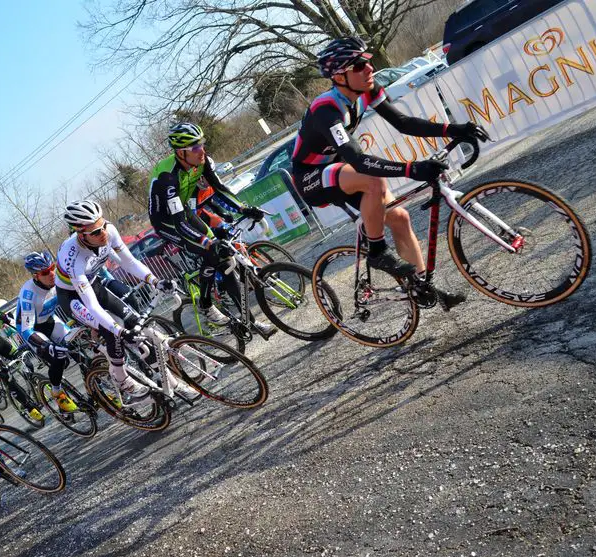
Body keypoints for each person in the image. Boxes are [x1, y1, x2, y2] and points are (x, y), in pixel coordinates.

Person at [291, 36, 490, 309]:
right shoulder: (325, 109)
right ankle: (376, 252)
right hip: (311, 176)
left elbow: (403, 122)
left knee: (399, 217)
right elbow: (359, 160)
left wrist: (453, 129)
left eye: (368, 62)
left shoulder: (366, 90)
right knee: (371, 177)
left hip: (340, 169)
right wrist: (412, 169)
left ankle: (423, 287)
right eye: (359, 65)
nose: (369, 69)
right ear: (339, 76)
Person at [55, 199, 196, 402]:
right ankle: (121, 379)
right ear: (80, 234)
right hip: (72, 297)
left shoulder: (109, 231)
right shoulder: (72, 256)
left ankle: (173, 385)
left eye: (102, 225)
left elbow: (129, 262)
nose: (103, 233)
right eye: (95, 232)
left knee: (135, 328)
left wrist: (155, 281)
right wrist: (117, 329)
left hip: (94, 283)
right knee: (111, 333)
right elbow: (92, 305)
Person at [148, 122, 275, 334]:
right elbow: (179, 224)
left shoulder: (201, 161)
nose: (202, 151)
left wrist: (244, 208)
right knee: (210, 250)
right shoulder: (167, 178)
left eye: (202, 145)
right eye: (195, 148)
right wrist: (208, 242)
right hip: (166, 222)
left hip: (185, 212)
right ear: (181, 152)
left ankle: (249, 323)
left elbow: (219, 189)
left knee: (225, 260)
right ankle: (206, 306)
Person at [13, 251, 77, 413]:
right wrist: (46, 345)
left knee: (76, 347)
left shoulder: (59, 279)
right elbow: (27, 328)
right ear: (35, 276)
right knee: (58, 357)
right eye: (44, 272)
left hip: (49, 320)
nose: (51, 274)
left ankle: (95, 385)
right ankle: (57, 393)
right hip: (32, 330)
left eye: (52, 268)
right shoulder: (28, 293)